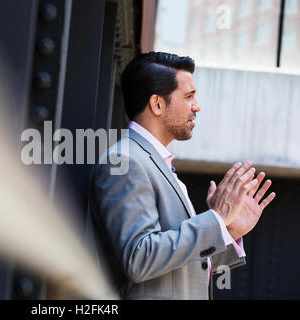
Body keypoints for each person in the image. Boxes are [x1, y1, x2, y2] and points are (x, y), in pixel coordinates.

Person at [89, 51, 276, 300]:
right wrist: (215, 219)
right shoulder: (127, 161)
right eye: (189, 97)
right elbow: (139, 258)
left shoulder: (154, 162)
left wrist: (226, 230)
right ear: (157, 104)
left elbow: (183, 267)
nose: (196, 106)